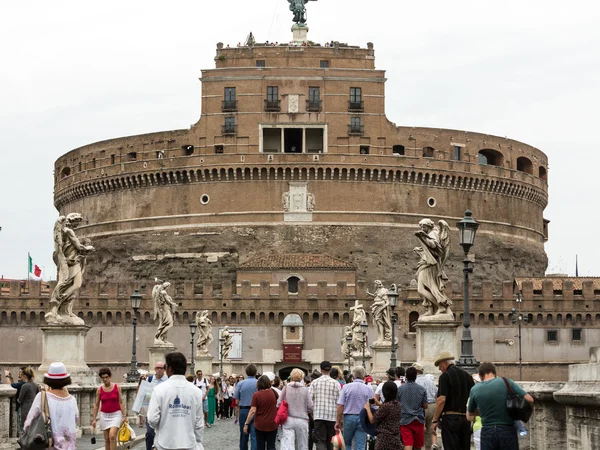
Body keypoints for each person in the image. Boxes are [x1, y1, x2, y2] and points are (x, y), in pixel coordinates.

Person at [467, 362, 534, 450]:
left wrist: (485, 411)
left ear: (480, 375)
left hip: (487, 431)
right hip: (507, 430)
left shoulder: (475, 389)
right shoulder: (506, 382)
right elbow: (530, 399)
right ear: (495, 373)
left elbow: (470, 413)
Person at [147, 352, 204, 450]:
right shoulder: (197, 392)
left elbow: (152, 419)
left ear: (169, 368)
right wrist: (197, 440)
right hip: (189, 444)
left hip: (164, 444)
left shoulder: (159, 390)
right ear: (185, 369)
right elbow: (199, 423)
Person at [23, 362, 79, 450]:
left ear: (48, 380)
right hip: (69, 447)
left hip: (49, 446)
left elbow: (29, 423)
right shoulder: (72, 400)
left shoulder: (42, 397)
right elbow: (75, 421)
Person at [432, 352, 474, 450]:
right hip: (465, 419)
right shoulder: (467, 375)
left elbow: (441, 399)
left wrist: (435, 419)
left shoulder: (445, 376)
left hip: (450, 418)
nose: (439, 369)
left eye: (440, 366)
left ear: (445, 363)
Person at [336, 366, 374, 450]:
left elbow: (340, 405)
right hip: (363, 418)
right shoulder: (369, 389)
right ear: (364, 376)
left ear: (353, 376)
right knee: (360, 444)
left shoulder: (346, 387)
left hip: (349, 417)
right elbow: (372, 406)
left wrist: (338, 420)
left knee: (346, 443)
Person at [92, 367, 127, 450]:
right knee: (107, 439)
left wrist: (124, 416)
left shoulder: (117, 387)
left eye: (106, 377)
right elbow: (96, 405)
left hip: (116, 414)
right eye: (103, 378)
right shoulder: (99, 390)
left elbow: (121, 402)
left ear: (109, 377)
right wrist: (94, 419)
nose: (105, 379)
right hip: (104, 415)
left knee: (112, 436)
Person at [310, 361, 341, 450]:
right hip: (332, 416)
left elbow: (310, 399)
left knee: (320, 440)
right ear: (330, 370)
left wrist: (312, 413)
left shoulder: (315, 382)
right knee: (330, 440)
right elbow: (339, 401)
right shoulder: (336, 383)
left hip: (319, 415)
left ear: (321, 369)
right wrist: (339, 418)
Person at [279, 368, 313, 450]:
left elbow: (279, 403)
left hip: (288, 418)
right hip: (302, 419)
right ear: (302, 377)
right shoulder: (305, 390)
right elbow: (310, 406)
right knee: (303, 444)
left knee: (288, 444)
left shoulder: (285, 388)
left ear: (291, 377)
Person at [397, 367, 428, 450]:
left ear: (406, 376)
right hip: (418, 419)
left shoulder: (400, 389)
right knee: (418, 445)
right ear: (416, 376)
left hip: (405, 419)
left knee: (408, 443)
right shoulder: (422, 389)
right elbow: (425, 406)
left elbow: (397, 403)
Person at [364, 381, 402, 450]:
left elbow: (372, 420)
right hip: (396, 439)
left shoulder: (386, 406)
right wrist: (380, 404)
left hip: (384, 440)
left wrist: (368, 409)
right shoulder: (398, 405)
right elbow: (390, 408)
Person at [245, 375, 279, 450]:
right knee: (271, 445)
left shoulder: (256, 395)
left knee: (260, 445)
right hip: (272, 423)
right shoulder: (274, 392)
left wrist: (246, 423)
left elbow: (252, 411)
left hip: (260, 424)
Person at [144, 361, 169, 450]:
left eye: (161, 368)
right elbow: (145, 394)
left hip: (165, 412)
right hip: (151, 410)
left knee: (164, 434)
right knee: (149, 433)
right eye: (157, 368)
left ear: (164, 369)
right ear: (155, 369)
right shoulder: (149, 379)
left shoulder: (168, 380)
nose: (159, 370)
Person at [413, 363, 438, 450]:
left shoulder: (415, 381)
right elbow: (436, 394)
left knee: (419, 429)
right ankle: (428, 447)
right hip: (432, 406)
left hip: (420, 407)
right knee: (429, 429)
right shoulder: (430, 381)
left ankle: (420, 447)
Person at [235, 364, 259, 450]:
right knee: (254, 436)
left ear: (246, 372)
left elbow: (237, 400)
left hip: (244, 410)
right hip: (256, 411)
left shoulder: (240, 384)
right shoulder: (258, 383)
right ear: (255, 372)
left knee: (243, 435)